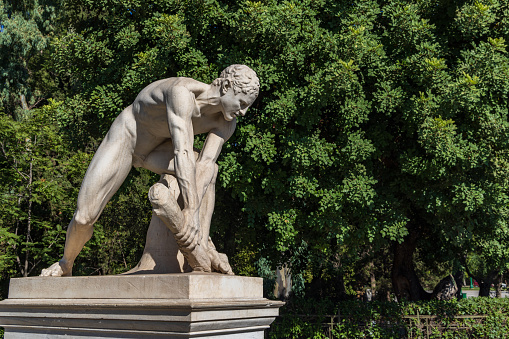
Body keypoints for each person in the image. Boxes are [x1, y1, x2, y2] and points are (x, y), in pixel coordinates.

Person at [41, 65, 259, 277]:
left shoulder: (226, 124)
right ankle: (65, 263)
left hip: (156, 153)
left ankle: (202, 241)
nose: (243, 111)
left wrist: (192, 218)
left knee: (209, 170)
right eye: (241, 103)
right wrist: (191, 209)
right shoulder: (182, 93)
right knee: (83, 218)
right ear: (226, 86)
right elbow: (181, 150)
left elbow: (205, 164)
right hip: (128, 139)